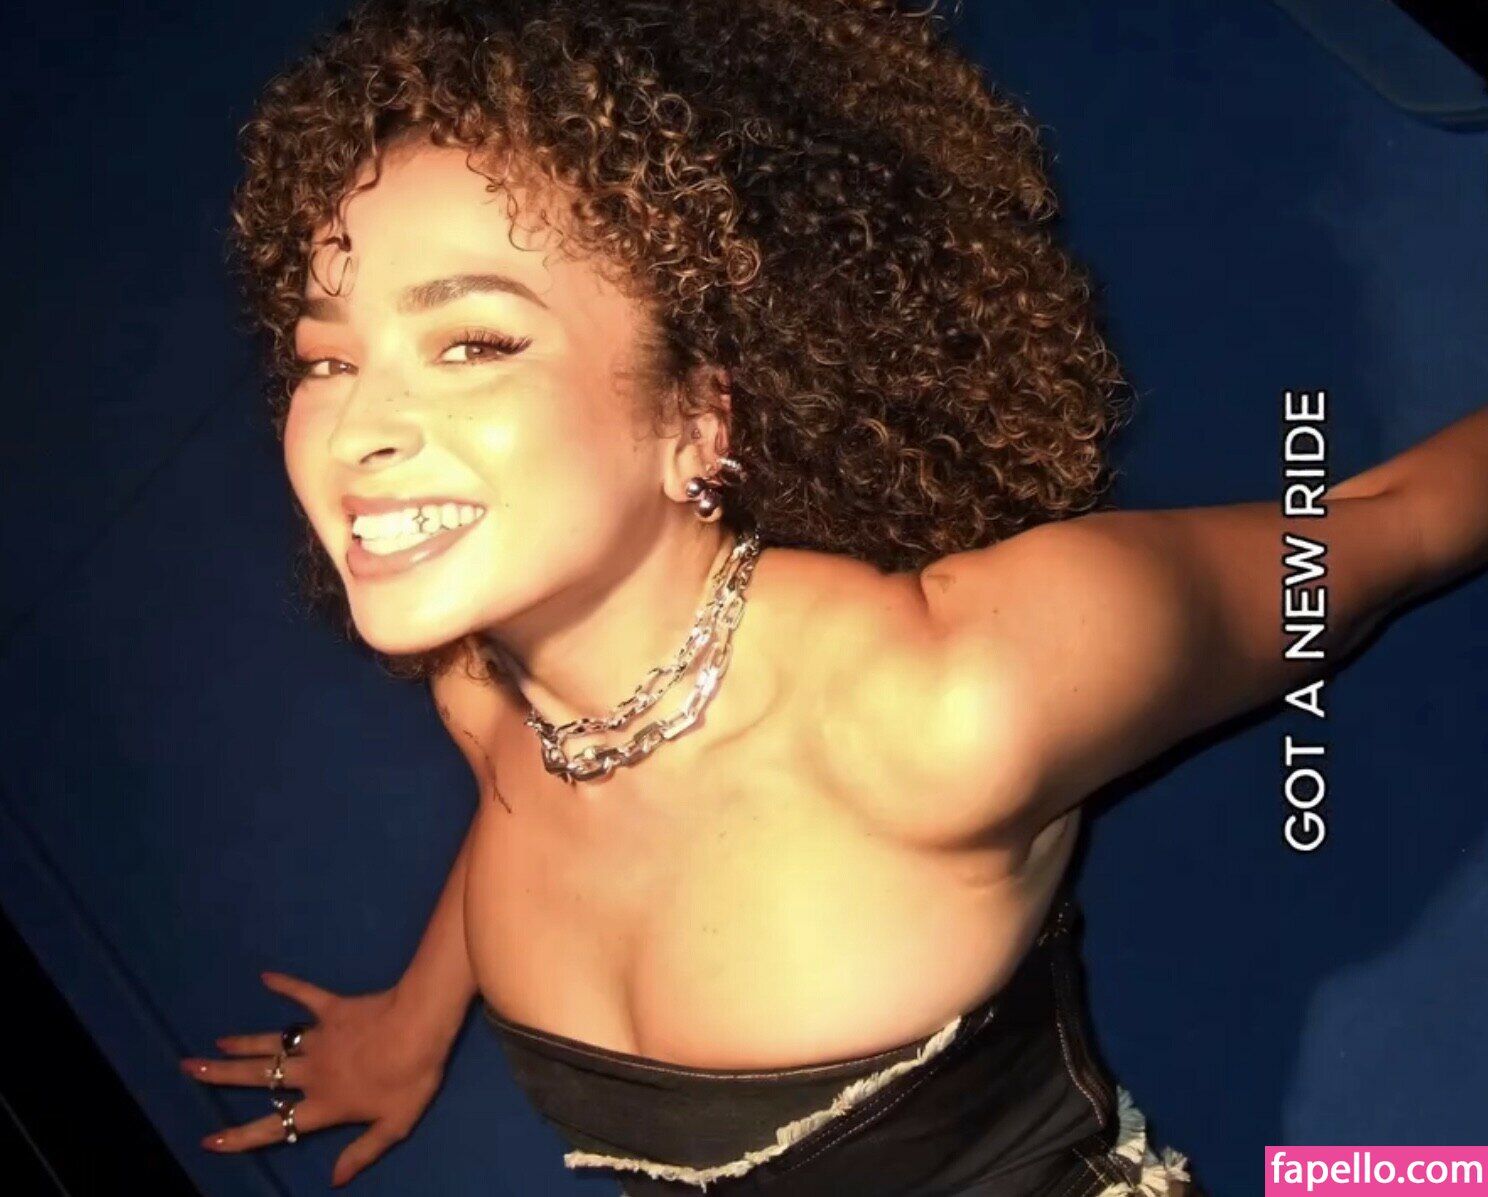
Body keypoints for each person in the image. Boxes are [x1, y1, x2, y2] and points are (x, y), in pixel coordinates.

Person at [179, 0, 1488, 1193]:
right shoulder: (484, 684)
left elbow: (1391, 530)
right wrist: (415, 1022)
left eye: (473, 342)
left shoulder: (950, 702)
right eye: (328, 359)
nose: (358, 430)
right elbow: (538, 788)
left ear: (696, 417)